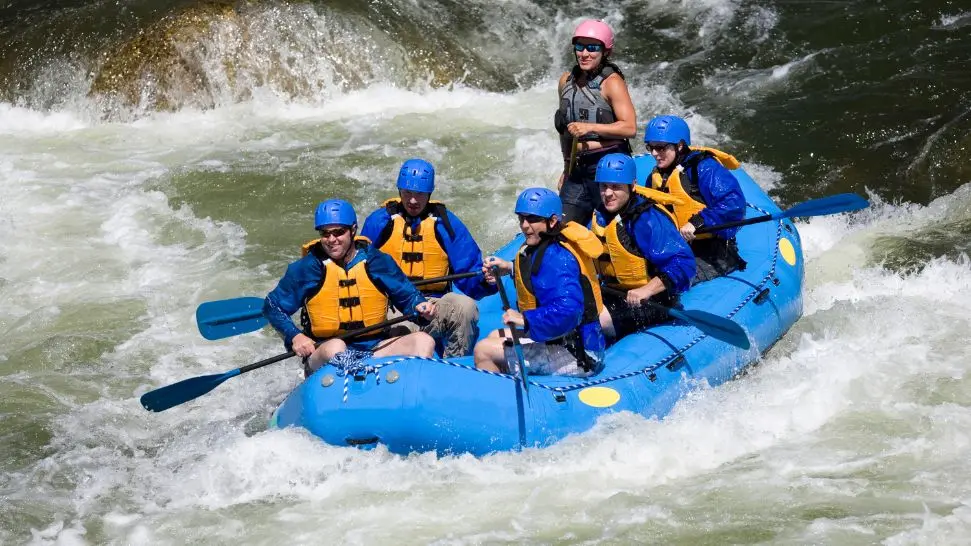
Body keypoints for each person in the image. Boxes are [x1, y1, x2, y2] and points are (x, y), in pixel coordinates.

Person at [263, 199, 437, 376]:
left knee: (424, 341)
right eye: (325, 234)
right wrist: (295, 336)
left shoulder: (376, 261)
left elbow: (407, 296)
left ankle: (413, 395)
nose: (331, 240)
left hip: (375, 349)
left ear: (353, 230)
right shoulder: (307, 268)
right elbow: (272, 306)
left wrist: (420, 306)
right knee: (337, 347)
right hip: (326, 351)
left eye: (339, 232)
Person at [360, 158, 495, 357]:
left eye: (420, 194)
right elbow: (358, 268)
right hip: (393, 306)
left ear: (429, 193)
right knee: (401, 333)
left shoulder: (446, 223)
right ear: (399, 191)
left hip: (434, 305)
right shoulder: (379, 222)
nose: (413, 200)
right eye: (407, 193)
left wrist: (485, 280)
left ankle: (454, 366)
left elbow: (468, 273)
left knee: (465, 307)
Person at [473, 187, 606, 377]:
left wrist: (526, 319)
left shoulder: (559, 257)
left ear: (552, 221)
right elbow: (540, 275)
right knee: (495, 335)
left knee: (483, 350)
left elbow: (570, 309)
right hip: (559, 340)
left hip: (579, 354)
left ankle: (501, 401)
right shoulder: (547, 245)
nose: (525, 225)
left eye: (533, 219)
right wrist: (510, 268)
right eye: (521, 218)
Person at [592, 153, 696, 339]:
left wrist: (646, 290)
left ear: (632, 186)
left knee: (596, 320)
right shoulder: (601, 214)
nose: (608, 193)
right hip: (614, 292)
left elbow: (683, 264)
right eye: (604, 186)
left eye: (616, 187)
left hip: (652, 301)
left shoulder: (647, 220)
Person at [644, 115, 747, 282]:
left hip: (712, 252)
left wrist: (697, 222)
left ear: (680, 145)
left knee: (666, 285)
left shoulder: (704, 168)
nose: (655, 154)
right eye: (651, 147)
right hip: (675, 249)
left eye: (661, 147)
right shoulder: (655, 178)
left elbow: (733, 204)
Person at [555, 19, 637, 225]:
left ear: (605, 52)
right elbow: (565, 131)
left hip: (609, 166)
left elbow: (630, 127)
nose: (584, 53)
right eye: (580, 47)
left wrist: (590, 127)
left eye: (592, 48)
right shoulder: (565, 81)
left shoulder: (612, 83)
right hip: (578, 170)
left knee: (613, 230)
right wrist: (567, 168)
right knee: (561, 229)